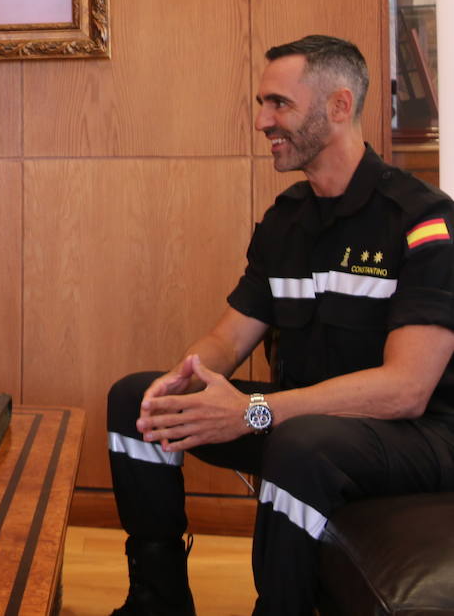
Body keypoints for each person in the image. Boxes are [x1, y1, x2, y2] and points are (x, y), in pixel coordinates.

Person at [106, 35, 454, 616]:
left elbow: (406, 389)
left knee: (300, 443)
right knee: (134, 401)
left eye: (280, 105)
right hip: (305, 421)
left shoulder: (421, 221)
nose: (263, 120)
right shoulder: (286, 219)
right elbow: (229, 336)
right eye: (262, 104)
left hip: (420, 435)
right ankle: (157, 600)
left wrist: (252, 412)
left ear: (339, 107)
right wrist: (188, 378)